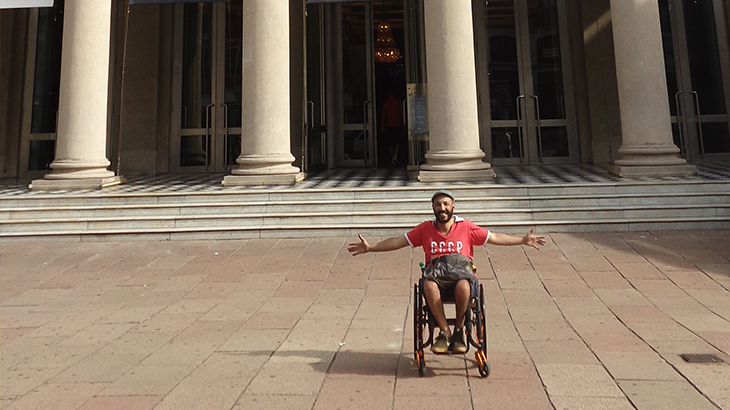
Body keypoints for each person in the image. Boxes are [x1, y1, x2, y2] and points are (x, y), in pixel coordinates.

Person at [348, 189, 545, 354]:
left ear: (453, 207)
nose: (442, 208)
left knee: (463, 285)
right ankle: (444, 333)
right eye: (438, 204)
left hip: (462, 278)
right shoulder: (425, 229)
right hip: (437, 279)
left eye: (446, 204)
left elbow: (494, 238)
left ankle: (459, 330)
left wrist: (522, 240)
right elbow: (399, 241)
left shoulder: (466, 227)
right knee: (429, 285)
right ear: (433, 208)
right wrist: (371, 247)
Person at [380, 90, 404, 165]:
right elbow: (401, 113)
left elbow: (384, 116)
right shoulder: (398, 103)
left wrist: (382, 126)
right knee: (397, 141)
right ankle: (395, 156)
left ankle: (392, 157)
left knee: (390, 142)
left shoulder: (385, 104)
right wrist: (403, 122)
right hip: (397, 124)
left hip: (389, 125)